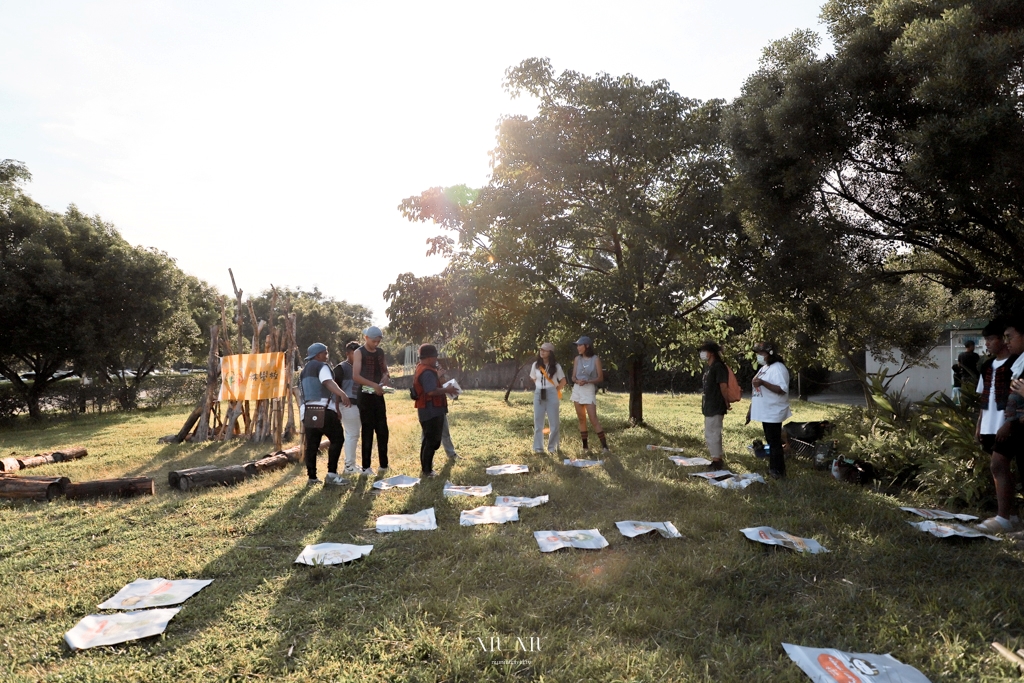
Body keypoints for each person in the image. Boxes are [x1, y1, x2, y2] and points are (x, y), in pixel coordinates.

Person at [977, 319, 1024, 533]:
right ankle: (1011, 516)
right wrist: (980, 423)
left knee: (998, 464)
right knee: (1001, 467)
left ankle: (1004, 517)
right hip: (993, 423)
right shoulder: (988, 365)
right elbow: (984, 398)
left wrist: (1008, 422)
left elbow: (1015, 398)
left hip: (1011, 424)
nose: (987, 343)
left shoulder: (1016, 362)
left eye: (990, 339)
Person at [299, 342, 352, 486]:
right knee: (337, 439)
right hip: (323, 409)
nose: (327, 356)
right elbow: (328, 382)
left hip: (307, 411)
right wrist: (342, 394)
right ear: (318, 355)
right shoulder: (321, 366)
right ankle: (332, 474)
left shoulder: (304, 371)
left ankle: (312, 477)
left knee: (312, 445)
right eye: (325, 353)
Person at [412, 344, 460, 477]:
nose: (436, 359)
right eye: (434, 357)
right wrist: (447, 390)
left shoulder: (422, 368)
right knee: (432, 441)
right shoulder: (427, 372)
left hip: (428, 409)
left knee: (428, 440)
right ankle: (427, 470)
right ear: (428, 358)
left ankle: (426, 468)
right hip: (431, 410)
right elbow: (431, 391)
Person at [746, 341, 791, 479]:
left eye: (761, 353)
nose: (759, 356)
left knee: (774, 442)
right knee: (771, 441)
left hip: (773, 411)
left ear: (770, 353)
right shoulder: (765, 368)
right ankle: (773, 468)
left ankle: (778, 471)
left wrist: (763, 383)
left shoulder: (778, 368)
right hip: (765, 411)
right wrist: (751, 409)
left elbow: (781, 389)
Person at [352, 326, 391, 475]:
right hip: (365, 396)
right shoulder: (359, 352)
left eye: (378, 341)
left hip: (378, 395)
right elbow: (356, 376)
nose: (376, 344)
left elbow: (385, 370)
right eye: (374, 341)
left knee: (383, 430)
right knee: (367, 430)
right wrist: (373, 385)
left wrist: (385, 378)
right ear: (366, 338)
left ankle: (384, 464)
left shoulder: (380, 352)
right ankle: (366, 467)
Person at [570, 336, 609, 454]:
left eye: (579, 345)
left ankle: (605, 447)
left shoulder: (595, 359)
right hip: (578, 389)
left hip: (588, 389)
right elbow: (573, 377)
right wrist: (577, 381)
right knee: (581, 418)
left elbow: (600, 378)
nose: (577, 347)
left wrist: (587, 381)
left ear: (586, 346)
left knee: (593, 418)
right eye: (577, 345)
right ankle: (585, 447)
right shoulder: (577, 359)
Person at [530, 342, 567, 454]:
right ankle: (538, 448)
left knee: (554, 422)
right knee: (538, 421)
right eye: (541, 349)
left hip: (551, 393)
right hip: (539, 393)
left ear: (550, 353)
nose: (542, 352)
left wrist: (555, 390)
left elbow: (563, 381)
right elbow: (533, 378)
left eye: (545, 350)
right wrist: (540, 387)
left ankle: (552, 447)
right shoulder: (535, 365)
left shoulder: (556, 366)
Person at [332, 341, 363, 476]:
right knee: (352, 434)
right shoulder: (341, 368)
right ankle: (349, 466)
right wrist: (337, 408)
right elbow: (334, 389)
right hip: (347, 405)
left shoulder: (360, 367)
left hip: (358, 405)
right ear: (347, 353)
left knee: (353, 434)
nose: (356, 356)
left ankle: (351, 464)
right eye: (353, 353)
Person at [699, 340, 730, 470]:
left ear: (711, 353)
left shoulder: (718, 366)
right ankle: (715, 458)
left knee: (713, 433)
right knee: (709, 433)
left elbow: (723, 386)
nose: (701, 354)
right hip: (709, 405)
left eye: (703, 351)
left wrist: (726, 401)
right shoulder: (710, 367)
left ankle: (717, 461)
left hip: (716, 405)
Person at [953, 339, 980, 405]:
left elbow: (959, 365)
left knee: (965, 394)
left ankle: (964, 407)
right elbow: (978, 365)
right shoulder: (975, 355)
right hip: (974, 377)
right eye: (973, 346)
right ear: (971, 346)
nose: (974, 348)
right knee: (974, 394)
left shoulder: (961, 355)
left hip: (964, 378)